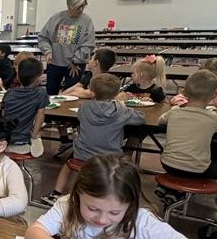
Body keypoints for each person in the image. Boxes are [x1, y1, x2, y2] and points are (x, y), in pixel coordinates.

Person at [25, 154, 211, 239]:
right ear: (77, 196)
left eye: (115, 212)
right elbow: (33, 233)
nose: (103, 220)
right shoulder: (67, 205)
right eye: (93, 208)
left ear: (130, 205)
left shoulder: (143, 221)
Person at [42, 74, 145, 204]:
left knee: (68, 166)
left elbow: (79, 117)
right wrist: (124, 106)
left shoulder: (84, 107)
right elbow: (141, 118)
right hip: (110, 157)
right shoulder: (121, 111)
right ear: (116, 93)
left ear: (92, 92)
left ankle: (55, 193)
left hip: (83, 154)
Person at [158, 69, 217, 179]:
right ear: (214, 95)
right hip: (198, 169)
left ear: (185, 92)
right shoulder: (213, 118)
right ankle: (183, 192)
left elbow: (161, 120)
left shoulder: (174, 111)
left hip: (167, 164)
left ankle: (173, 190)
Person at [37, 0, 95, 95]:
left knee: (71, 94)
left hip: (75, 66)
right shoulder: (56, 18)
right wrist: (47, 51)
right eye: (78, 7)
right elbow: (43, 37)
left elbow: (88, 44)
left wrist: (76, 61)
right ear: (70, 6)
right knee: (51, 92)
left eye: (83, 6)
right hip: (55, 63)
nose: (81, 10)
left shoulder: (87, 20)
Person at [2, 56, 48, 156]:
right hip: (24, 139)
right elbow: (40, 117)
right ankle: (33, 141)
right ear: (39, 78)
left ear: (18, 76)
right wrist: (34, 134)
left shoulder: (8, 93)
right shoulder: (41, 93)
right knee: (36, 135)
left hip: (7, 138)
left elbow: (3, 116)